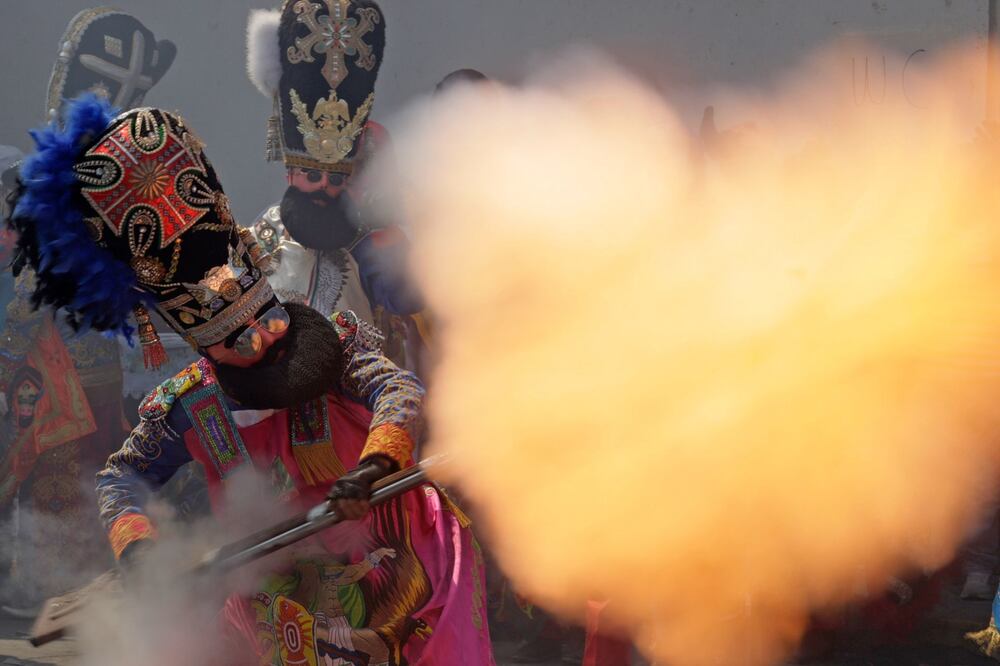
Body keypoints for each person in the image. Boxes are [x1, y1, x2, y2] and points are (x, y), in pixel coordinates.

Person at [7, 95, 494, 665]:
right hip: (279, 592)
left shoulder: (335, 337)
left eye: (270, 320)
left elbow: (398, 391)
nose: (264, 340)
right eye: (240, 341)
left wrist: (373, 467)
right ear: (207, 349)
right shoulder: (187, 404)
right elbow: (121, 478)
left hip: (393, 557)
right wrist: (139, 549)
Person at [0, 8, 176, 609]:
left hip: (65, 374)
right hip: (74, 374)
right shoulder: (115, 181)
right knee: (78, 480)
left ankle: (67, 595)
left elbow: (27, 292)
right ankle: (70, 593)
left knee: (80, 480)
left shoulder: (48, 184)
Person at [245, 0, 426, 373]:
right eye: (313, 176)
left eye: (336, 178)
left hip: (356, 389)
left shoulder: (364, 236)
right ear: (290, 175)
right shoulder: (263, 232)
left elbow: (408, 296)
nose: (325, 187)